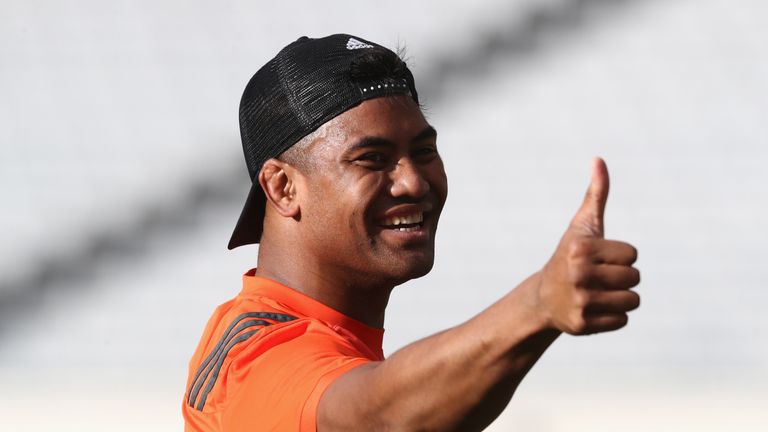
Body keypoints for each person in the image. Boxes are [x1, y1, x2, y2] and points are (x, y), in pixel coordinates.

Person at [182, 34, 640, 432]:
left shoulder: (300, 331)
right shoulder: (256, 356)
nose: (415, 182)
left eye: (423, 151)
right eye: (372, 159)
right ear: (282, 188)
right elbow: (383, 419)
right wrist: (537, 304)